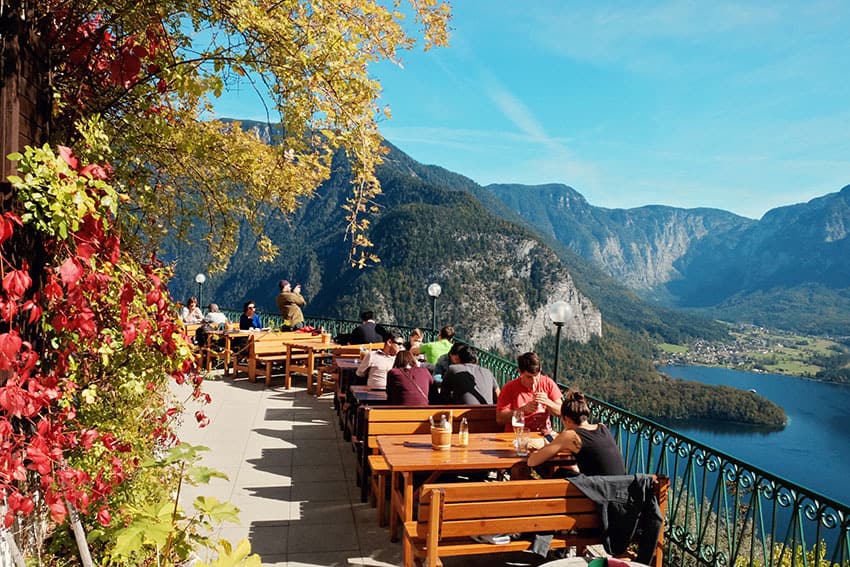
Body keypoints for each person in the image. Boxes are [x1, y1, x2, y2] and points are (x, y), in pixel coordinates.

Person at [527, 389, 626, 477]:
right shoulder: (602, 427)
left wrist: (534, 452)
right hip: (622, 487)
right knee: (566, 471)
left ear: (566, 419)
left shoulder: (571, 436)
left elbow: (532, 461)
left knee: (558, 474)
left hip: (601, 492)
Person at [496, 352, 562, 433]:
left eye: (537, 376)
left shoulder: (547, 383)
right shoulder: (509, 388)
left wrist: (548, 402)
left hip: (542, 435)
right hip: (516, 436)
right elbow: (500, 419)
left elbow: (562, 412)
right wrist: (522, 411)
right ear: (520, 372)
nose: (534, 381)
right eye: (529, 377)